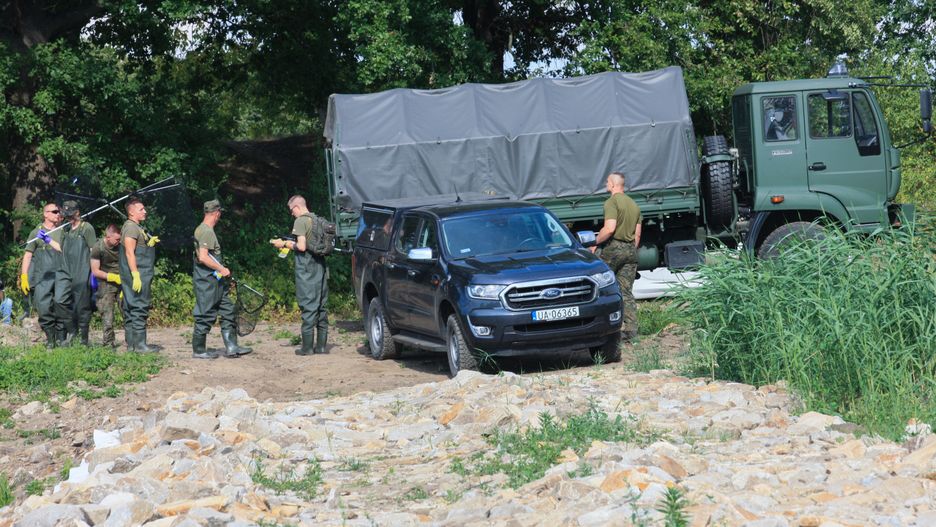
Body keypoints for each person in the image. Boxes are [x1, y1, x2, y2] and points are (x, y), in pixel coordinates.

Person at [191, 199, 252, 359]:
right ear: (217, 213)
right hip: (207, 282)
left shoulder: (203, 229)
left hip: (216, 282)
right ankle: (199, 350)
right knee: (205, 314)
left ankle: (232, 347)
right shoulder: (206, 231)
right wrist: (222, 269)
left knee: (228, 310)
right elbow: (203, 257)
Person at [270, 195, 329, 355]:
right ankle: (321, 347)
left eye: (291, 210)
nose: (292, 213)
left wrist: (284, 243)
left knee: (308, 305)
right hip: (321, 268)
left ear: (296, 207)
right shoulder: (317, 219)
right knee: (321, 307)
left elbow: (301, 246)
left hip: (307, 270)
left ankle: (307, 348)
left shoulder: (300, 221)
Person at [593, 172, 642, 340]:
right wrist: (630, 249)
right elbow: (637, 235)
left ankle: (599, 327)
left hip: (614, 248)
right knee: (626, 291)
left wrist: (595, 243)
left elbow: (609, 229)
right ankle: (631, 331)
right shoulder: (634, 205)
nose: (606, 184)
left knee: (598, 284)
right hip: (631, 250)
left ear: (613, 184)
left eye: (607, 181)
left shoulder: (612, 202)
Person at [20, 202, 75, 347]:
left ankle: (62, 339)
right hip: (42, 276)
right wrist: (24, 276)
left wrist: (49, 240)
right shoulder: (36, 232)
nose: (58, 214)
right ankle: (50, 339)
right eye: (54, 212)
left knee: (60, 305)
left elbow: (66, 251)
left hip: (61, 274)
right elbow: (27, 255)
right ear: (45, 214)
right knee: (43, 307)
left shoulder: (63, 231)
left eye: (59, 212)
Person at [119, 196, 159, 353]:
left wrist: (149, 243)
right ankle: (140, 345)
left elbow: (137, 248)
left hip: (141, 272)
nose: (145, 211)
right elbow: (129, 252)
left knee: (131, 307)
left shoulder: (137, 227)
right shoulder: (131, 228)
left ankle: (132, 345)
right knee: (139, 306)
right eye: (141, 209)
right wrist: (135, 274)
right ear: (131, 212)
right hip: (138, 274)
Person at [60, 200, 96, 345]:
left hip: (83, 271)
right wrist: (48, 240)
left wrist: (94, 273)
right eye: (66, 214)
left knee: (82, 307)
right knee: (60, 301)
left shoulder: (86, 228)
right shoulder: (66, 229)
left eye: (70, 214)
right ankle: (72, 331)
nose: (68, 217)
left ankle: (84, 340)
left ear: (77, 213)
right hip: (66, 272)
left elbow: (93, 251)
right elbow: (61, 249)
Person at [91, 224, 122, 348]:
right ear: (108, 237)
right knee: (107, 315)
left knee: (128, 311)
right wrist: (112, 277)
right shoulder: (98, 247)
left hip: (123, 282)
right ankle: (108, 344)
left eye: (120, 239)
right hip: (105, 283)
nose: (118, 241)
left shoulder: (121, 245)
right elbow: (95, 271)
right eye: (116, 239)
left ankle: (132, 342)